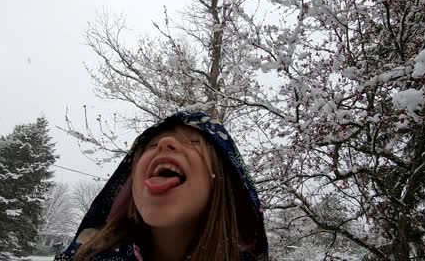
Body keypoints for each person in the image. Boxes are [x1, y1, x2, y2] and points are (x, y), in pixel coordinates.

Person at [54, 111, 268, 261]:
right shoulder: (83, 257)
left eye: (193, 142)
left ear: (222, 184)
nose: (165, 143)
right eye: (152, 145)